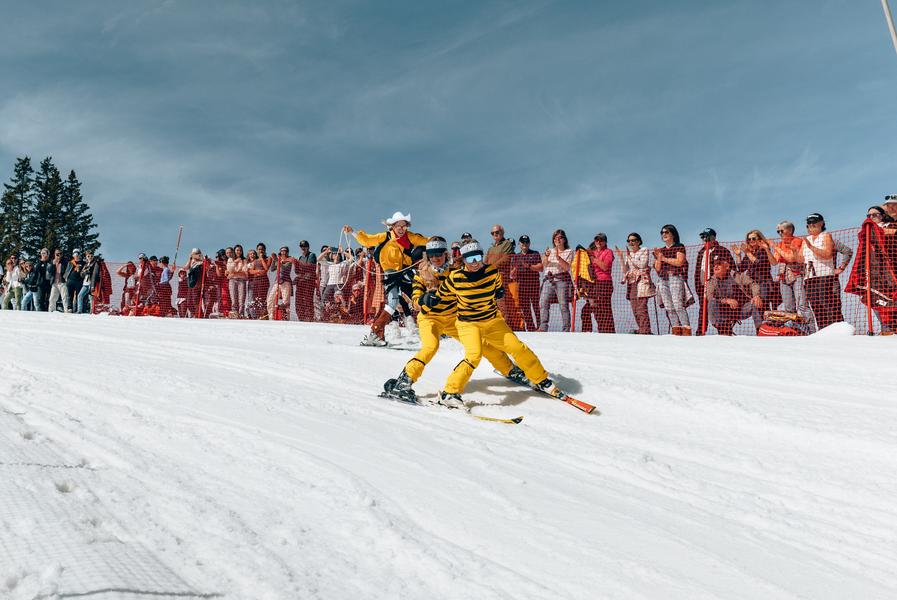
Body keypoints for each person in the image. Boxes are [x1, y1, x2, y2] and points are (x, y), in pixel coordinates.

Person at [383, 237, 527, 403]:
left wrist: (494, 290)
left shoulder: (455, 271)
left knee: (482, 345)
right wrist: (423, 300)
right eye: (432, 255)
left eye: (439, 254)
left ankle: (510, 370)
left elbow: (479, 277)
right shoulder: (421, 275)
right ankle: (404, 381)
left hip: (453, 318)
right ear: (427, 256)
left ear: (446, 254)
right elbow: (415, 302)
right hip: (430, 319)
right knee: (431, 347)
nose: (436, 258)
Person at [423, 240, 564, 407]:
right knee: (474, 355)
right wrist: (426, 299)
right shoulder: (455, 278)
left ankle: (540, 379)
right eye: (470, 259)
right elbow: (440, 296)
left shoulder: (492, 272)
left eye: (477, 257)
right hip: (468, 324)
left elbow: (498, 287)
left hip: (492, 321)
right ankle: (450, 392)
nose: (475, 262)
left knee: (518, 348)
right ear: (464, 260)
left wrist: (499, 290)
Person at [344, 211, 428, 346]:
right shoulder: (386, 236)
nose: (401, 229)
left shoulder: (410, 237)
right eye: (398, 226)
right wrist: (353, 232)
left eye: (404, 226)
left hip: (404, 270)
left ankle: (434, 325)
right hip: (390, 272)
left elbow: (424, 241)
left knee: (418, 294)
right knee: (393, 300)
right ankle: (375, 333)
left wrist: (437, 242)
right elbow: (367, 240)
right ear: (392, 226)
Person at [705, 254, 764, 335]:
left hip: (740, 310)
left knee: (755, 303)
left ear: (727, 266)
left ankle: (760, 331)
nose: (715, 266)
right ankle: (723, 329)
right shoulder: (711, 281)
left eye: (719, 264)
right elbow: (710, 297)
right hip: (722, 313)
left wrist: (756, 296)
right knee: (712, 303)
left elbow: (753, 284)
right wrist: (726, 301)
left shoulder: (737, 276)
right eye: (714, 265)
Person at [802, 213, 843, 330]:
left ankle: (837, 327)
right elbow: (799, 258)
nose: (811, 226)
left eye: (814, 223)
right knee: (815, 304)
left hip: (824, 274)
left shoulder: (825, 236)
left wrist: (812, 247)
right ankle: (823, 329)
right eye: (808, 224)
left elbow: (827, 254)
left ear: (821, 223)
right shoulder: (806, 240)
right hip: (809, 276)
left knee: (827, 301)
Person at [694, 228, 734, 335]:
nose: (704, 239)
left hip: (718, 284)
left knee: (718, 305)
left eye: (706, 237)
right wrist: (698, 286)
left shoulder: (722, 250)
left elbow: (731, 267)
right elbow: (697, 270)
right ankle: (700, 331)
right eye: (702, 237)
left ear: (712, 238)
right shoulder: (701, 252)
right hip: (702, 285)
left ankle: (724, 330)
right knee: (703, 309)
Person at [652, 225, 691, 335]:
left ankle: (686, 330)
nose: (663, 234)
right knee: (669, 307)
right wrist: (658, 258)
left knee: (678, 305)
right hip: (663, 279)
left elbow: (679, 262)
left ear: (673, 234)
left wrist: (663, 258)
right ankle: (676, 330)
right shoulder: (661, 250)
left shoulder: (679, 246)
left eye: (666, 232)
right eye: (662, 232)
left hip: (675, 277)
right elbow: (657, 268)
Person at [772, 220, 811, 327]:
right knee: (788, 306)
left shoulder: (797, 241)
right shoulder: (780, 244)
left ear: (789, 230)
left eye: (781, 231)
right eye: (778, 231)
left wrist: (776, 248)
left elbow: (791, 258)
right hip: (783, 277)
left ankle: (810, 330)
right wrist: (767, 249)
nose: (780, 233)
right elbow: (774, 262)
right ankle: (794, 329)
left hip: (797, 275)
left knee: (802, 305)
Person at [615, 232, 654, 334]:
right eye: (629, 241)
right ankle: (641, 329)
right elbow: (625, 270)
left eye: (633, 240)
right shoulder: (629, 254)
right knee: (634, 308)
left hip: (642, 281)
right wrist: (621, 257)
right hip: (632, 283)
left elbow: (642, 264)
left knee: (641, 307)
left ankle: (645, 330)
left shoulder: (644, 250)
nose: (631, 243)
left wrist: (630, 257)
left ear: (639, 241)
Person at [485, 224, 522, 329]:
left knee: (501, 302)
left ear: (502, 232)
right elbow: (485, 262)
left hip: (500, 276)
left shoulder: (506, 244)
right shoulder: (490, 249)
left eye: (497, 232)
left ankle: (505, 326)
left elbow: (506, 259)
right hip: (489, 277)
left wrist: (491, 267)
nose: (495, 234)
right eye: (493, 233)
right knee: (489, 303)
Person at [734, 229, 780, 311]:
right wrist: (738, 255)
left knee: (764, 306)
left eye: (753, 238)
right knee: (758, 308)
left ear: (759, 239)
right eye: (749, 239)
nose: (751, 241)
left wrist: (748, 253)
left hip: (763, 283)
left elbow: (758, 264)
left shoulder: (763, 250)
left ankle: (769, 323)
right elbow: (741, 269)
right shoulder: (750, 252)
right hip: (753, 284)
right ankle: (762, 323)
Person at [538, 229, 574, 331]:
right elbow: (544, 265)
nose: (557, 240)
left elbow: (567, 267)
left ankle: (566, 329)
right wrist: (546, 256)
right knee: (543, 303)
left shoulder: (569, 251)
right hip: (548, 280)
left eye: (559, 237)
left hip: (561, 280)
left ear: (564, 239)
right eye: (555, 238)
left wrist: (558, 258)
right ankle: (543, 327)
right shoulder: (550, 251)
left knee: (563, 305)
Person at [580, 233, 615, 333]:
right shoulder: (593, 252)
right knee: (589, 309)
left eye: (601, 240)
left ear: (605, 242)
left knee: (604, 309)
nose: (598, 242)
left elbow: (605, 267)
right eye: (596, 240)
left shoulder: (608, 252)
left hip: (604, 283)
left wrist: (594, 259)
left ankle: (607, 332)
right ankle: (589, 332)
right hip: (594, 284)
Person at [511, 235, 541, 331]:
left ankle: (540, 327)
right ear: (519, 244)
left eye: (526, 242)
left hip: (534, 286)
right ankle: (531, 328)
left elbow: (541, 268)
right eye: (523, 242)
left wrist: (528, 266)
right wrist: (514, 271)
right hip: (522, 287)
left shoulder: (535, 254)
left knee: (536, 307)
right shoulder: (516, 257)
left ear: (529, 243)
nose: (525, 244)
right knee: (526, 309)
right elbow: (512, 275)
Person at [266, 246, 299, 320]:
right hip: (277, 282)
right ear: (280, 252)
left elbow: (284, 268)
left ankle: (286, 318)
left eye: (285, 251)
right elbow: (272, 269)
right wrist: (274, 260)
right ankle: (271, 317)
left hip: (286, 282)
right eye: (282, 251)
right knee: (270, 300)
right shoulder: (278, 259)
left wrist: (276, 260)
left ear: (287, 252)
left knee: (286, 302)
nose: (283, 252)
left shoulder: (290, 259)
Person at [294, 240, 317, 322]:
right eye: (301, 246)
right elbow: (297, 271)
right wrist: (295, 264)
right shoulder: (300, 258)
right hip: (301, 282)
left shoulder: (312, 255)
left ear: (308, 247)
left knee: (308, 300)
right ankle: (301, 318)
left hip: (309, 281)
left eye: (305, 246)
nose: (303, 248)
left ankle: (309, 318)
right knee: (298, 301)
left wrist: (297, 262)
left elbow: (310, 267)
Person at [226, 244, 248, 318]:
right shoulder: (230, 259)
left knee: (241, 299)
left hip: (242, 280)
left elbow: (245, 270)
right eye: (237, 250)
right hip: (232, 280)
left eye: (240, 250)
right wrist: (235, 261)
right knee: (233, 299)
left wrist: (233, 273)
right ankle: (234, 314)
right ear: (234, 251)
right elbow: (229, 269)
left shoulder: (244, 260)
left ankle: (241, 314)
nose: (239, 252)